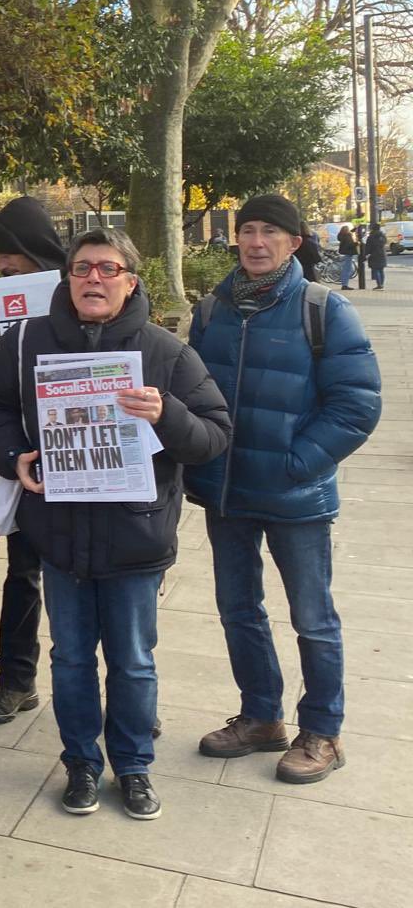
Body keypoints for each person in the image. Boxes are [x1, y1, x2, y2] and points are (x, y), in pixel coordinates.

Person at [0, 227, 231, 821]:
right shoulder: (25, 343)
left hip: (135, 538)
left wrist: (167, 413)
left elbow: (214, 435)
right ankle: (81, 762)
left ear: (130, 281)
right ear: (67, 279)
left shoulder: (166, 352)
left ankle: (134, 765)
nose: (94, 278)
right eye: (83, 268)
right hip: (59, 536)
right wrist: (12, 453)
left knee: (134, 659)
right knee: (69, 657)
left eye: (108, 269)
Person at [187, 194, 380, 785]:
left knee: (312, 616)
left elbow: (358, 404)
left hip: (296, 496)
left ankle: (322, 730)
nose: (256, 241)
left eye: (270, 231)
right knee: (239, 609)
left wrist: (297, 463)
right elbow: (190, 391)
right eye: (247, 229)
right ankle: (261, 716)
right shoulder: (212, 308)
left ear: (294, 242)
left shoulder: (323, 308)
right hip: (227, 491)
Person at [0, 195, 67, 727]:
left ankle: (122, 691)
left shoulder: (82, 287)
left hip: (85, 460)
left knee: (90, 582)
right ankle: (16, 679)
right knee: (23, 574)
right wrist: (10, 455)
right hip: (26, 463)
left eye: (7, 252)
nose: (1, 262)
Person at [364, 222, 387, 290]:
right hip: (382, 254)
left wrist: (366, 254)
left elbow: (368, 247)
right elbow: (384, 242)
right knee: (381, 269)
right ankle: (382, 284)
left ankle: (379, 284)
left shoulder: (371, 236)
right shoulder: (382, 235)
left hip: (374, 255)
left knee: (376, 269)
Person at [335, 224, 357, 289]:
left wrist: (355, 228)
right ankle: (345, 285)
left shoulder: (342, 236)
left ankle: (344, 283)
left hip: (344, 253)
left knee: (345, 269)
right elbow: (349, 245)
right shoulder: (348, 236)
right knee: (347, 270)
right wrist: (356, 243)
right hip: (348, 254)